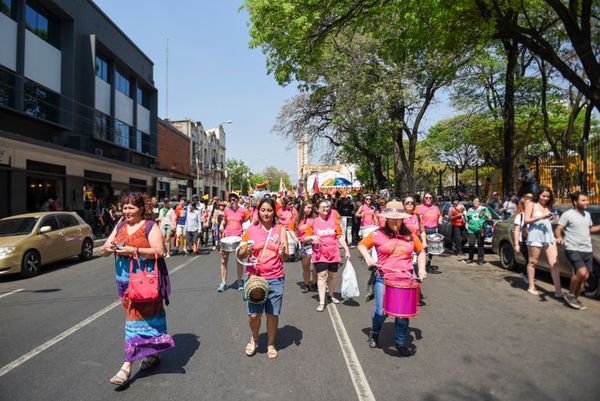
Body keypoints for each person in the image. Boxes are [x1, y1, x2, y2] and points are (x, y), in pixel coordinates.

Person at [99, 193, 174, 385]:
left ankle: (126, 366)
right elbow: (105, 250)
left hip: (144, 282)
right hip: (123, 281)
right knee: (144, 321)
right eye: (124, 208)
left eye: (131, 207)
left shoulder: (150, 226)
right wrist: (108, 248)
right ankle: (154, 354)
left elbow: (159, 251)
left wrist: (134, 251)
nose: (126, 211)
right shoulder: (120, 226)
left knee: (133, 322)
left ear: (141, 208)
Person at [357, 200, 426, 356]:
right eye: (392, 218)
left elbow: (421, 251)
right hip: (384, 278)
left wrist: (421, 269)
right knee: (381, 312)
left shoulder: (410, 235)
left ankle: (400, 341)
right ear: (386, 219)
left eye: (398, 218)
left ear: (403, 219)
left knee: (403, 313)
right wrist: (369, 259)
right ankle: (374, 332)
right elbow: (361, 245)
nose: (395, 221)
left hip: (405, 279)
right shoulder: (377, 234)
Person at [237, 198, 288, 359]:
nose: (266, 213)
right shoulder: (250, 230)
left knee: (272, 314)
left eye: (269, 210)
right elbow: (240, 253)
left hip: (275, 277)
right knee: (254, 315)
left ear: (274, 212)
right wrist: (247, 251)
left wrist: (283, 252)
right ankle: (255, 337)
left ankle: (271, 343)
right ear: (258, 211)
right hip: (255, 278)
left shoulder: (280, 229)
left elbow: (286, 254)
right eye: (263, 210)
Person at [555, 192, 600, 309]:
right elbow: (558, 228)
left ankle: (575, 298)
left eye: (587, 200)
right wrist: (559, 237)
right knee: (581, 272)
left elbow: (590, 229)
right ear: (575, 202)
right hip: (573, 248)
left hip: (587, 249)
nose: (587, 202)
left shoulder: (587, 215)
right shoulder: (567, 214)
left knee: (585, 277)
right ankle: (570, 294)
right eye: (584, 200)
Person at [305, 199, 351, 311]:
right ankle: (321, 302)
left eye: (327, 207)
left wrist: (347, 250)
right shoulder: (313, 222)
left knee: (332, 276)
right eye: (323, 207)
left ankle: (331, 295)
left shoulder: (334, 221)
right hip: (320, 254)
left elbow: (339, 236)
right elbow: (306, 238)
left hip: (333, 253)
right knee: (322, 275)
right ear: (317, 209)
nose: (326, 209)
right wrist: (311, 238)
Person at [524, 186, 563, 297]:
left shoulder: (549, 206)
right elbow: (526, 220)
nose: (545, 198)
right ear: (538, 195)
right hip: (535, 235)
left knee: (555, 263)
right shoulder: (531, 204)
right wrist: (541, 217)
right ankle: (531, 286)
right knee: (533, 262)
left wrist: (555, 219)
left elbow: (554, 222)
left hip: (549, 236)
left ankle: (558, 290)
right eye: (543, 196)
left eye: (547, 197)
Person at [218, 193, 251, 292]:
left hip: (238, 239)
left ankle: (240, 281)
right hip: (227, 238)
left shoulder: (243, 211)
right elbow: (224, 221)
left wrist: (245, 231)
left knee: (239, 260)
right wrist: (221, 225)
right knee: (224, 260)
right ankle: (223, 282)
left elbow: (249, 221)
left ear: (237, 200)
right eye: (230, 200)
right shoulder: (226, 210)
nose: (232, 201)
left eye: (234, 199)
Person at [290, 201, 317, 292]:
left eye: (311, 208)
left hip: (315, 245)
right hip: (304, 246)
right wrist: (295, 238)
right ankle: (306, 284)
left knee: (316, 266)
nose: (310, 210)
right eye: (308, 207)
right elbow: (291, 229)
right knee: (306, 267)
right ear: (303, 207)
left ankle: (314, 283)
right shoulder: (297, 219)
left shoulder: (314, 218)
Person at [415, 193, 442, 272]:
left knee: (431, 249)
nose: (428, 199)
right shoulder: (418, 207)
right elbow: (413, 217)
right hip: (423, 230)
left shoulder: (436, 208)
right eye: (426, 197)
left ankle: (428, 264)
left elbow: (440, 215)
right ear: (423, 199)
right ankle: (420, 265)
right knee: (422, 248)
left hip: (433, 229)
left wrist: (440, 219)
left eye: (430, 197)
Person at [465, 198, 492, 265]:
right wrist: (464, 218)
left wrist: (485, 214)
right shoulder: (470, 210)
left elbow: (490, 219)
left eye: (476, 201)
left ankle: (480, 259)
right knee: (471, 244)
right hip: (471, 230)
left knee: (480, 245)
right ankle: (470, 258)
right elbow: (466, 219)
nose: (475, 202)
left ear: (479, 202)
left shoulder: (484, 209)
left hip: (481, 229)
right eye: (474, 201)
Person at [513, 194, 533, 282]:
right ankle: (527, 276)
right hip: (524, 241)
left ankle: (528, 275)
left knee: (531, 260)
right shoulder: (520, 216)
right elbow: (516, 231)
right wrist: (516, 244)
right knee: (529, 259)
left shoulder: (535, 214)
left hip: (534, 240)